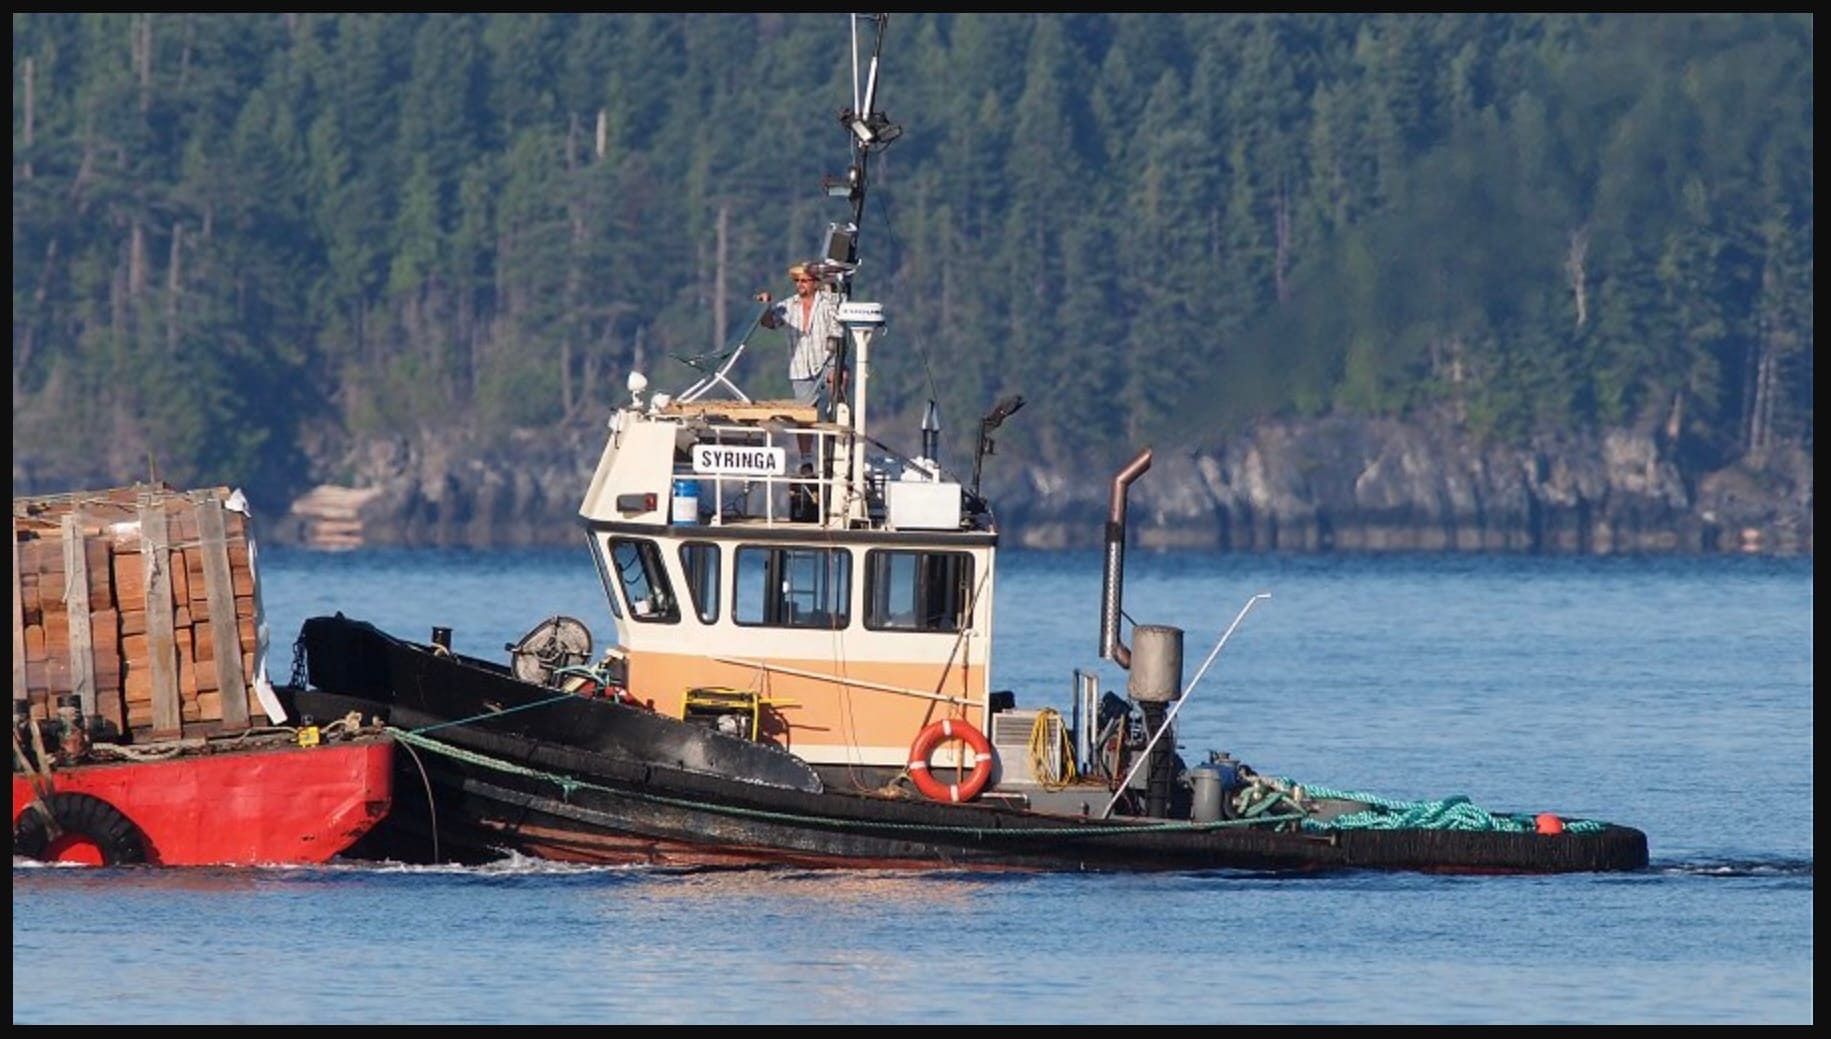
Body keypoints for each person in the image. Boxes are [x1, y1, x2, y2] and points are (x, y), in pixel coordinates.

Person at [756, 262, 843, 469]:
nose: (800, 284)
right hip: (801, 366)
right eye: (797, 281)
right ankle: (806, 460)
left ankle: (837, 415)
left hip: (825, 360)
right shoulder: (789, 305)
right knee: (804, 415)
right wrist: (765, 306)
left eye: (804, 280)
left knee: (840, 376)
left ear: (815, 283)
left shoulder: (828, 302)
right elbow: (770, 323)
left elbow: (838, 326)